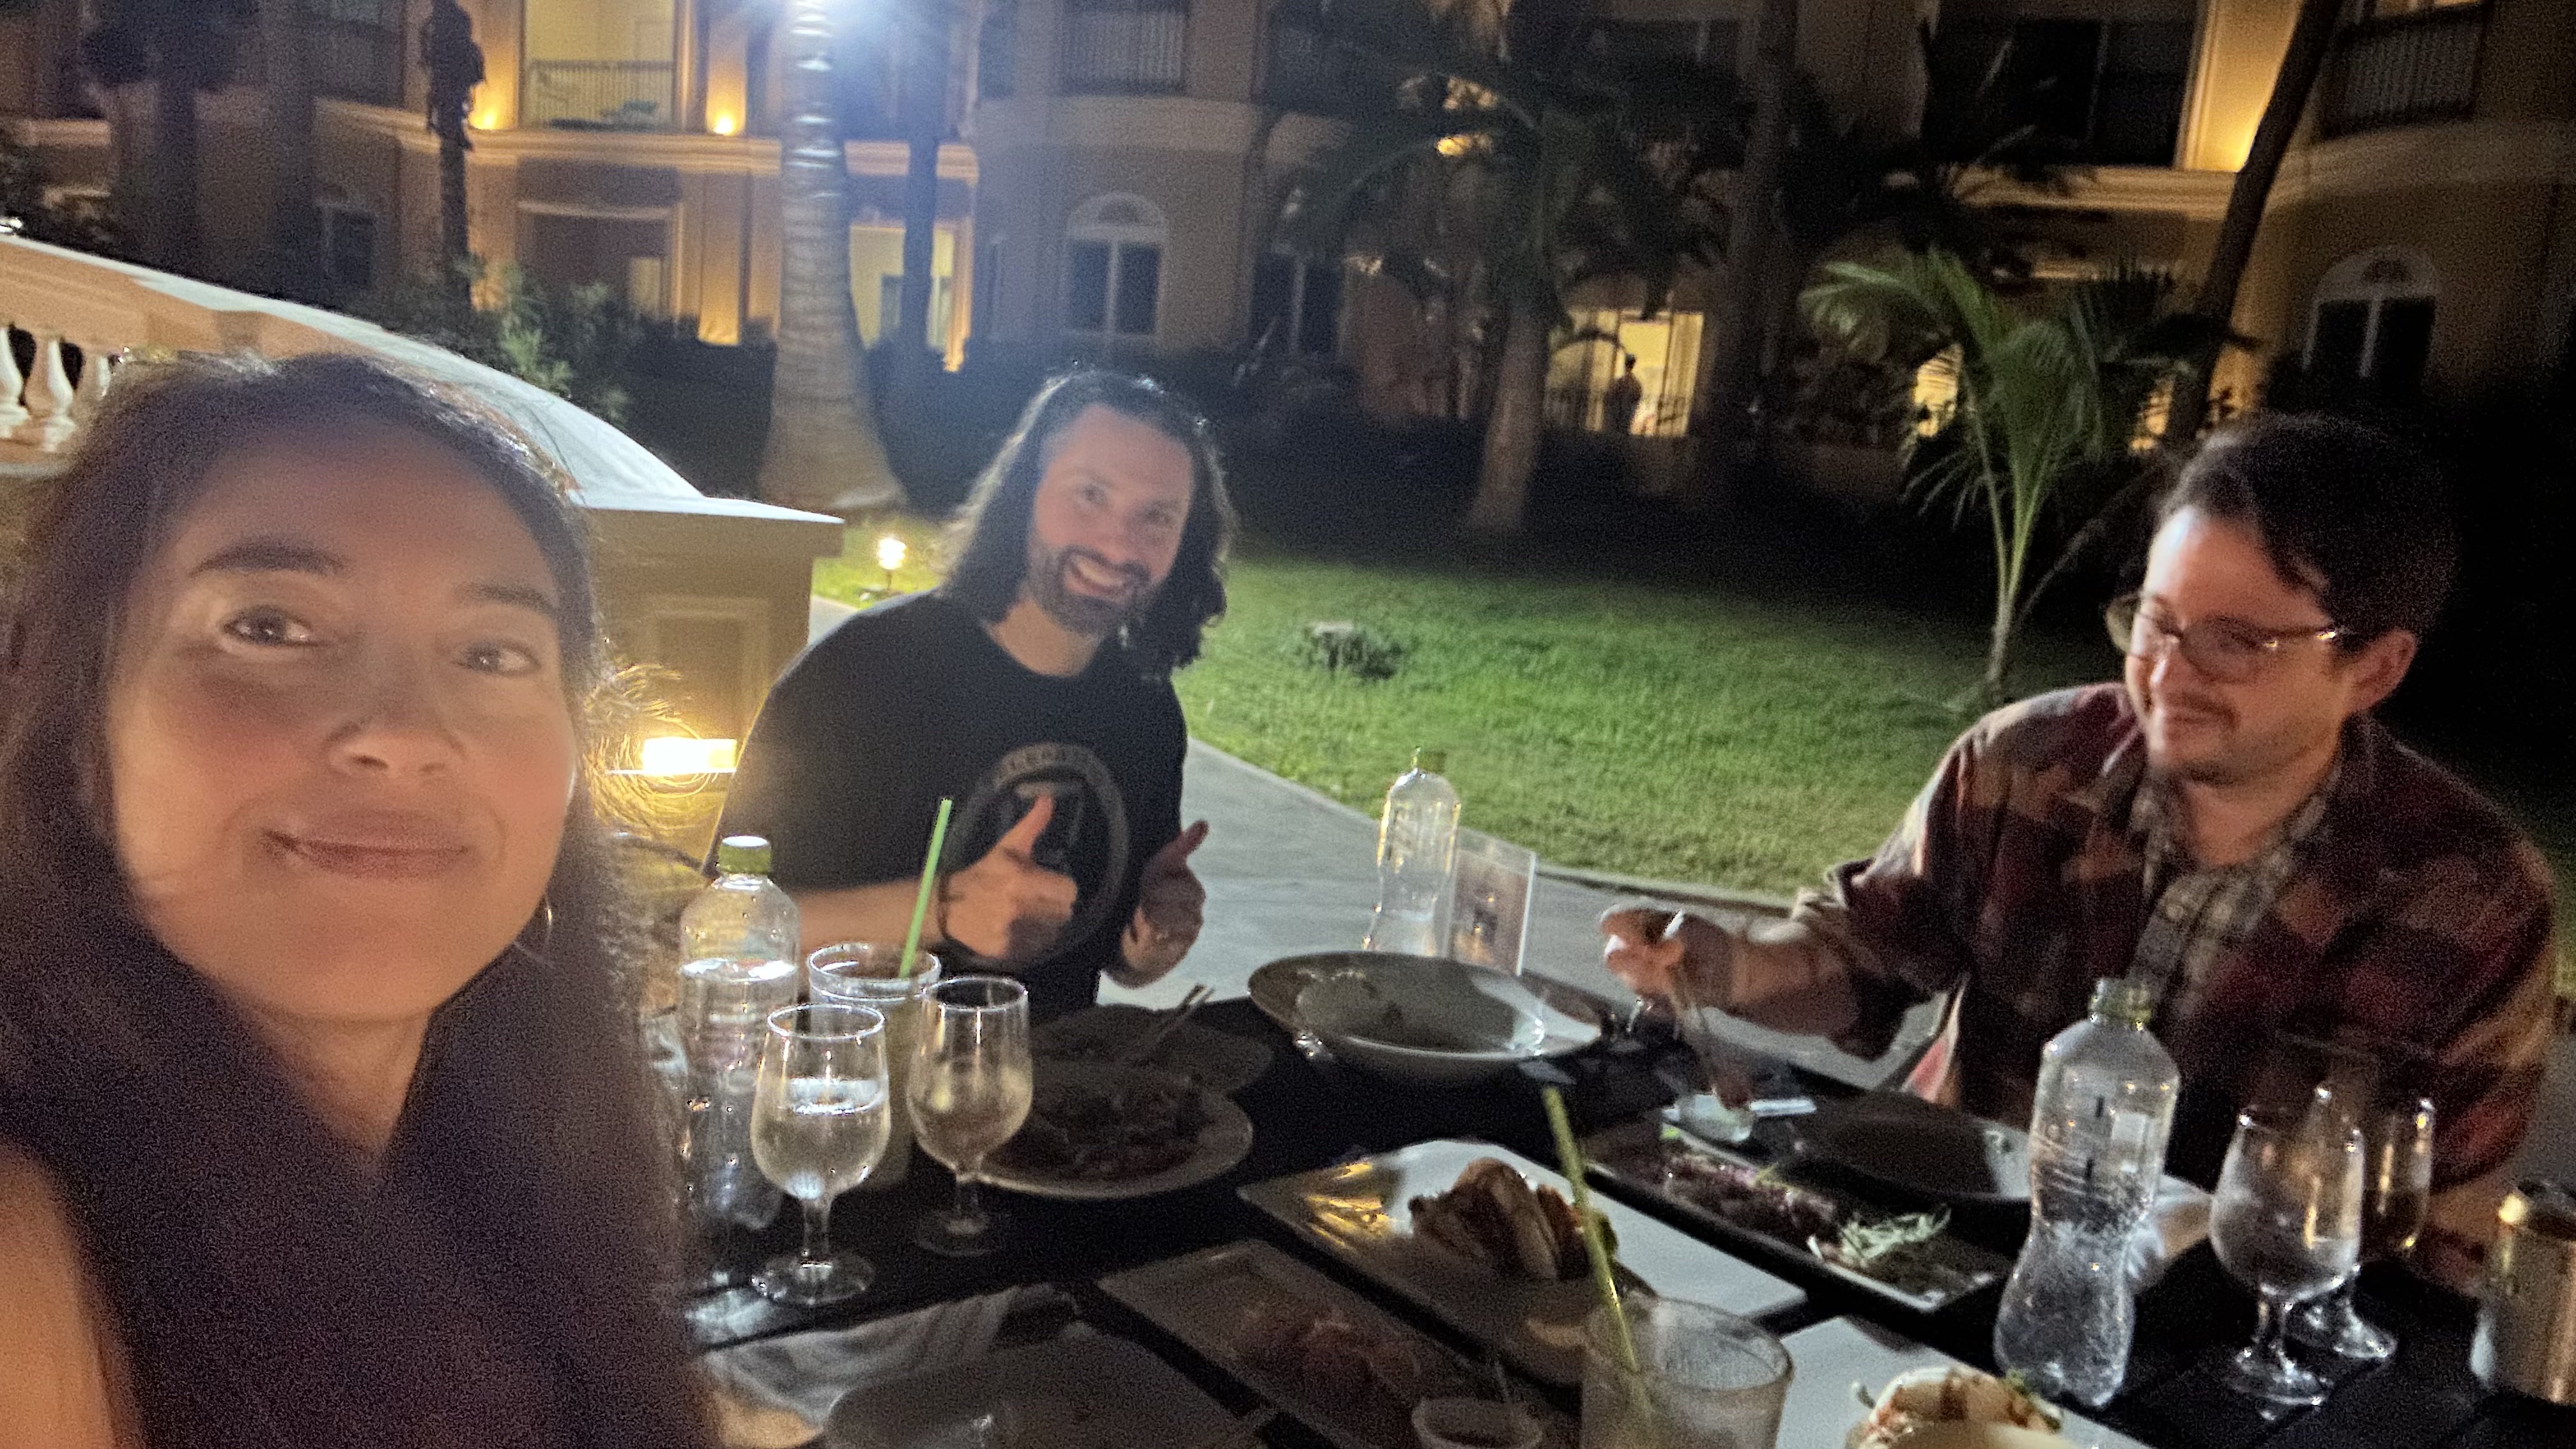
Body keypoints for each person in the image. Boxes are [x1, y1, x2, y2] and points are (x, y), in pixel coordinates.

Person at [1603, 413, 2557, 1291]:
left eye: (2234, 643)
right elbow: (1869, 954)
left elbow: (2435, 1248)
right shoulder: (2028, 764)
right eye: (2157, 621)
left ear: (2375, 668)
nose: (2168, 674)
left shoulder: (2469, 902)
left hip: (2221, 1335)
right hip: (1938, 1253)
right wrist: (1732, 966)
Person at [0, 354, 710, 1448]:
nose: (404, 733)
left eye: (491, 653)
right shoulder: (31, 1264)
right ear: (79, 744)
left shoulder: (517, 1179)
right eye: (270, 628)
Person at [718, 370, 1236, 1020]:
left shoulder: (1145, 711)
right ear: (1024, 496)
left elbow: (1112, 959)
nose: (1117, 543)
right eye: (1091, 494)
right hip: (850, 1071)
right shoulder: (862, 672)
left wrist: (1150, 939)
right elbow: (732, 935)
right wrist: (944, 909)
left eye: (1156, 517)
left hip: (1053, 1072)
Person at [1602, 354, 1644, 436]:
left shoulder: (1622, 381)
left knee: (1619, 428)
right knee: (1623, 427)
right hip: (1626, 409)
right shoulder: (1634, 383)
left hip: (1620, 410)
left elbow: (1611, 395)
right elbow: (1637, 396)